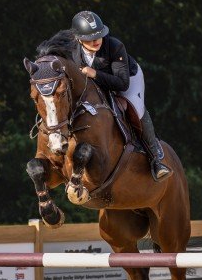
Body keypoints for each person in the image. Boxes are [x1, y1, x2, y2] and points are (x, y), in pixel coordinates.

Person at [70, 10, 171, 181]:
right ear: (79, 39)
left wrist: (94, 74)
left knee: (135, 109)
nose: (96, 41)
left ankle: (155, 158)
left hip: (128, 80)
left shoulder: (115, 46)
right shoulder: (73, 51)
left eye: (99, 36)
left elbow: (121, 84)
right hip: (97, 81)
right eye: (90, 38)